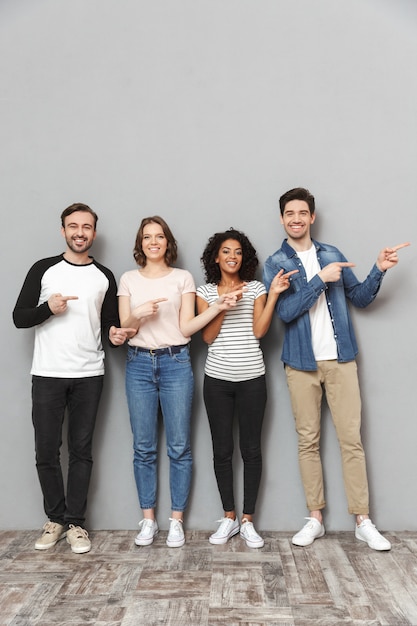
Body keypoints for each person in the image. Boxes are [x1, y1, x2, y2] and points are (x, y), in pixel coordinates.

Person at [263, 187, 410, 551]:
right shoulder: (275, 262)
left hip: (341, 360)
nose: (296, 218)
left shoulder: (332, 254)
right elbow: (282, 313)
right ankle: (315, 518)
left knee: (352, 441)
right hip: (301, 363)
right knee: (307, 441)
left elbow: (359, 298)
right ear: (282, 219)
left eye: (302, 213)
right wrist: (318, 281)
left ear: (312, 217)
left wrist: (378, 269)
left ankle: (362, 520)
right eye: (289, 213)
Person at [13, 203, 133, 554]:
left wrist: (115, 335)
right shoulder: (43, 269)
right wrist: (47, 309)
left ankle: (76, 523)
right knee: (46, 451)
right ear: (63, 230)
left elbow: (109, 324)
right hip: (48, 374)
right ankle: (55, 519)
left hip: (89, 375)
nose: (80, 232)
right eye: (73, 226)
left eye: (86, 226)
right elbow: (20, 317)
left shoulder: (104, 276)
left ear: (94, 233)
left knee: (82, 452)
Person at [117, 216, 241, 549]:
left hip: (175, 363)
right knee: (143, 447)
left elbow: (187, 329)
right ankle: (147, 520)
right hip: (139, 364)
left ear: (167, 242)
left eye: (159, 236)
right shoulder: (128, 279)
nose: (153, 242)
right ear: (140, 243)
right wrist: (138, 314)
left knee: (179, 447)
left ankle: (175, 521)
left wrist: (217, 307)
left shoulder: (182, 278)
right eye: (147, 237)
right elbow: (123, 328)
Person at [197, 228, 297, 548]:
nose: (232, 256)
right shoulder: (205, 292)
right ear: (216, 257)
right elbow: (208, 337)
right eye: (226, 251)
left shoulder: (255, 288)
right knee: (222, 451)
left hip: (252, 379)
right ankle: (228, 517)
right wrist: (222, 306)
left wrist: (275, 294)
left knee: (251, 450)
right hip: (217, 381)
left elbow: (259, 331)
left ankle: (248, 521)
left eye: (238, 252)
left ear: (245, 258)